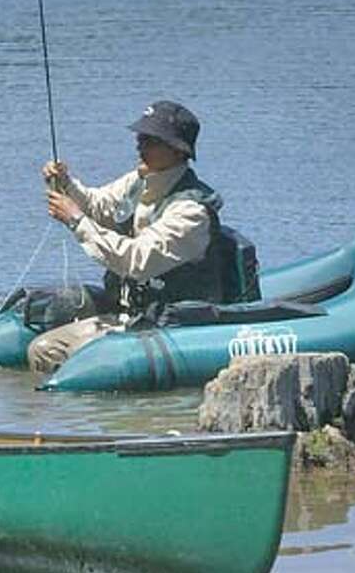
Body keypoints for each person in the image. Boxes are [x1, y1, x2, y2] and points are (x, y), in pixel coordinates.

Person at [31, 99, 228, 373]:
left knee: (46, 350)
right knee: (47, 326)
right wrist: (65, 183)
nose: (139, 145)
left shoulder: (191, 212)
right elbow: (98, 205)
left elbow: (136, 261)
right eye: (139, 137)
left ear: (177, 150)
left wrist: (76, 220)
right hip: (133, 312)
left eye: (149, 140)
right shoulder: (140, 180)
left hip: (172, 325)